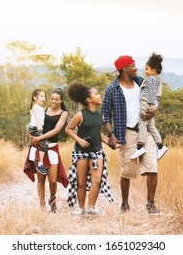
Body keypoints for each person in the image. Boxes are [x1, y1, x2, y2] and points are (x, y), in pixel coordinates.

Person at [102, 55, 160, 214]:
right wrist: (111, 134)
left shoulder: (141, 82)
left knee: (153, 167)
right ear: (124, 69)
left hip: (145, 131)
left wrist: (152, 111)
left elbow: (154, 99)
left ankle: (151, 204)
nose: (136, 68)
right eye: (133, 66)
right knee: (127, 171)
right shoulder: (112, 89)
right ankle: (125, 204)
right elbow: (105, 114)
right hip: (126, 133)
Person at [65, 81, 114, 217]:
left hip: (97, 152)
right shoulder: (81, 114)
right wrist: (79, 140)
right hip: (81, 153)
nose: (100, 96)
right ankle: (81, 209)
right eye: (96, 94)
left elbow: (99, 134)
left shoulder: (100, 117)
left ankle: (92, 207)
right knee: (80, 182)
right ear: (89, 99)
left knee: (96, 181)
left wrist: (111, 143)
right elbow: (68, 129)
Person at [24, 88, 69, 212]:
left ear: (61, 101)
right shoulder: (43, 110)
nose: (53, 101)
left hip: (52, 147)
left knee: (53, 180)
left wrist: (38, 138)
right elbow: (30, 124)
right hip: (40, 147)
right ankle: (42, 204)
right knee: (41, 179)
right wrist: (31, 137)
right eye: (52, 98)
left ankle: (52, 200)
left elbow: (55, 131)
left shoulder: (63, 113)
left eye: (57, 99)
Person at [130, 52, 168, 160]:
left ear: (154, 70)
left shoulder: (152, 79)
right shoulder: (156, 80)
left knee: (141, 122)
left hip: (146, 103)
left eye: (147, 69)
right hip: (150, 103)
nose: (145, 72)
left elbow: (151, 93)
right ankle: (160, 146)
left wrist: (151, 104)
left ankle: (140, 146)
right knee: (151, 127)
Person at [27, 89, 49, 175]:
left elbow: (39, 114)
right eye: (41, 96)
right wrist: (39, 125)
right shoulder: (35, 107)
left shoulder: (39, 107)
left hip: (35, 128)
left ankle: (33, 156)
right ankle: (40, 164)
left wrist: (43, 110)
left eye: (44, 96)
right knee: (45, 144)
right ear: (35, 98)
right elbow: (36, 116)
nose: (44, 98)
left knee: (39, 143)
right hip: (35, 128)